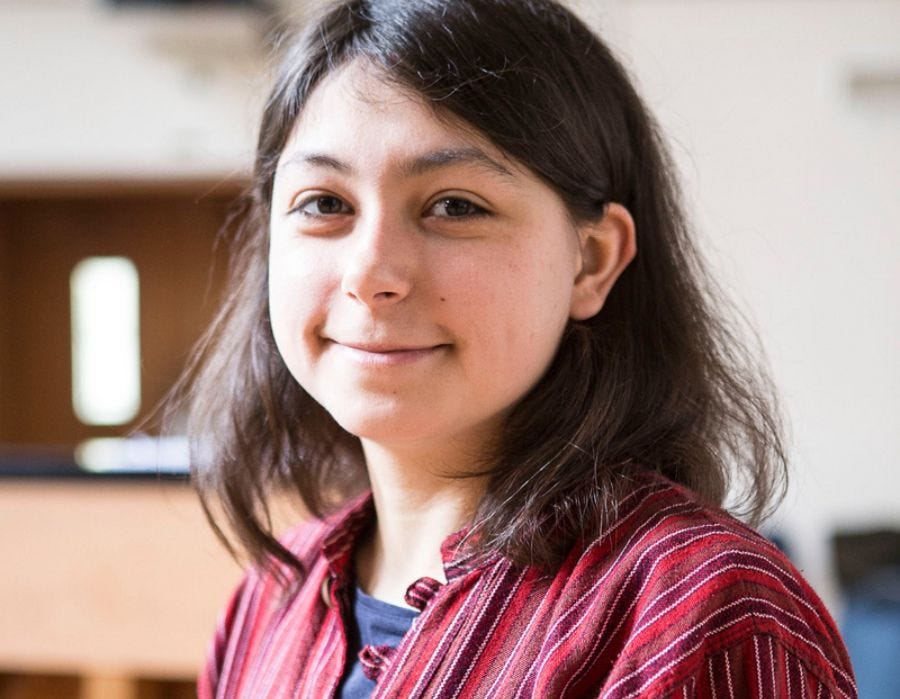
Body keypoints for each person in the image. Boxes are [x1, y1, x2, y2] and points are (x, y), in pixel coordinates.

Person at [182, 0, 856, 696]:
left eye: (455, 206)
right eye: (325, 203)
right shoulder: (270, 597)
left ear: (590, 261)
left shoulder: (704, 614)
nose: (371, 274)